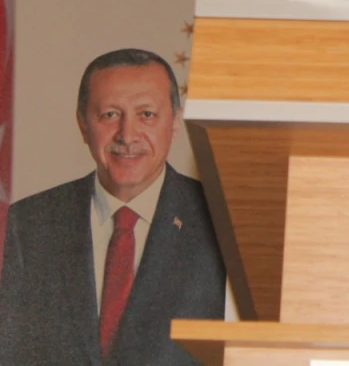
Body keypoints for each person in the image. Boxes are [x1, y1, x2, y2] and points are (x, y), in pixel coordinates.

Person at [0, 49, 225, 366]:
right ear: (83, 124)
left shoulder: (220, 221)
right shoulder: (29, 224)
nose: (127, 135)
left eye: (147, 114)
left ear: (175, 121)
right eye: (109, 115)